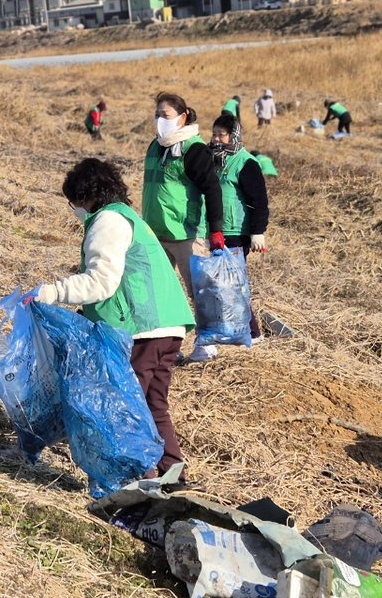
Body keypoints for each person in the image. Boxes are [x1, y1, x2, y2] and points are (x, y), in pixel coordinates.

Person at [32, 158, 196, 479]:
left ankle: (142, 480)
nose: (75, 210)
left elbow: (101, 281)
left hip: (141, 329)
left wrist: (50, 292)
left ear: (87, 195)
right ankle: (173, 474)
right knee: (152, 403)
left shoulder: (107, 221)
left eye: (75, 202)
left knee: (124, 406)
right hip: (168, 326)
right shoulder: (129, 217)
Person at [141, 92, 224, 360]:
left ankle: (207, 343)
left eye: (165, 115)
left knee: (198, 291)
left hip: (186, 234)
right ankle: (167, 346)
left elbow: (212, 189)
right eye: (157, 115)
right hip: (155, 233)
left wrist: (216, 229)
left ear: (183, 117)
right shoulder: (155, 147)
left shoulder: (194, 150)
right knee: (159, 293)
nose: (159, 120)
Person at [209, 112, 268, 343]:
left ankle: (252, 332)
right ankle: (231, 329)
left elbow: (259, 200)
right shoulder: (213, 159)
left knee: (233, 282)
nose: (216, 139)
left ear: (233, 136)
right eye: (214, 134)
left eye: (222, 135)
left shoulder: (246, 163)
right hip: (215, 229)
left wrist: (258, 231)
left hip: (236, 231)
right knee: (219, 282)